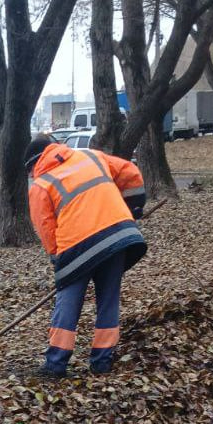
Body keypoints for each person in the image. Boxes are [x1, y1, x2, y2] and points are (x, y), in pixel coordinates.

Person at [24, 134, 147, 378]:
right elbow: (131, 173)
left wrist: (57, 259)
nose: (30, 176)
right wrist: (133, 208)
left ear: (34, 163)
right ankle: (102, 362)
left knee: (68, 302)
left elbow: (46, 228)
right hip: (117, 237)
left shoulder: (41, 184)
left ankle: (55, 364)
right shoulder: (91, 155)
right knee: (108, 300)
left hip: (77, 248)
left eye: (29, 171)